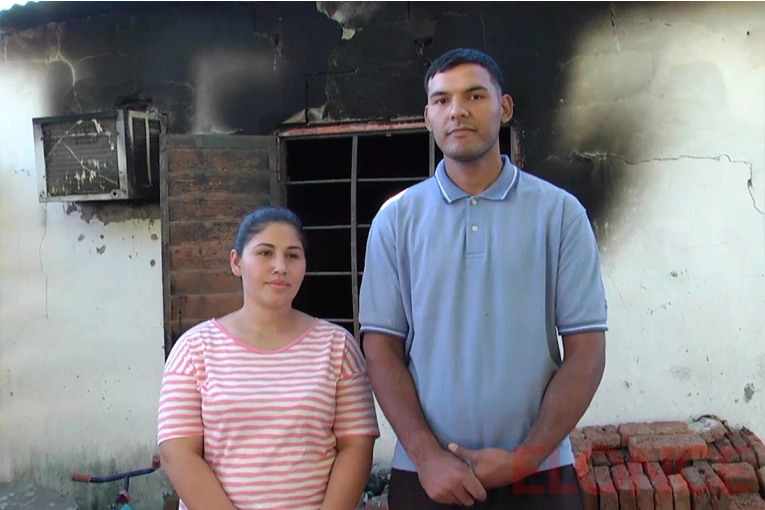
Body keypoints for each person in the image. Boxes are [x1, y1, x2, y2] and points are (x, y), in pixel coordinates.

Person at [359, 48, 608, 509]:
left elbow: (586, 350)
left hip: (541, 473)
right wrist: (425, 455)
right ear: (428, 118)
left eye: (475, 95)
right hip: (428, 477)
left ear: (505, 108)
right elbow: (381, 348)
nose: (458, 111)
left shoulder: (559, 214)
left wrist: (526, 458)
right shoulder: (395, 220)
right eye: (441, 100)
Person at [157, 205, 380, 510]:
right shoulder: (195, 349)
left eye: (292, 255)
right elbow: (178, 452)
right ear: (236, 262)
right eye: (265, 253)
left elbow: (356, 446)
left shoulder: (337, 347)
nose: (280, 266)